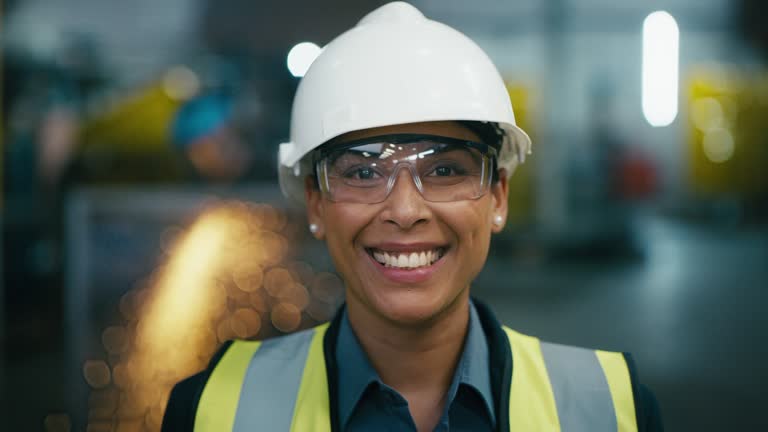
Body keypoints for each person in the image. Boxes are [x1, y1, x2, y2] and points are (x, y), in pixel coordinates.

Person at [161, 2, 663, 431]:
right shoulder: (211, 410)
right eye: (361, 173)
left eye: (445, 169)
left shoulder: (610, 409)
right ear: (315, 203)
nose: (404, 211)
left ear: (499, 198)